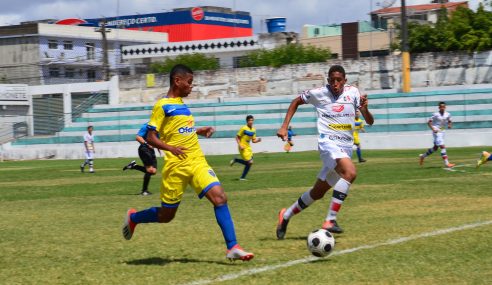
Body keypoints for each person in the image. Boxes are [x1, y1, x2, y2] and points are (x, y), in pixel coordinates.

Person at [121, 64, 254, 261]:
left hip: (197, 161)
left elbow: (181, 130)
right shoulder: (162, 105)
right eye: (189, 82)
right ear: (178, 81)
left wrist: (198, 131)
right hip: (176, 166)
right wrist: (171, 149)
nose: (192, 86)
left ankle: (232, 246)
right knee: (167, 216)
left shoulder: (183, 105)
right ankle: (133, 218)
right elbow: (150, 137)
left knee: (220, 198)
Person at [275, 65, 374, 239]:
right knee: (350, 172)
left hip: (345, 148)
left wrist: (364, 108)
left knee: (317, 192)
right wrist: (284, 126)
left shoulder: (354, 93)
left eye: (339, 80)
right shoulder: (319, 93)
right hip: (327, 143)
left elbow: (370, 121)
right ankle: (330, 220)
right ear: (328, 80)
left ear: (345, 80)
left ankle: (286, 215)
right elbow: (296, 101)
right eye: (332, 80)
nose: (335, 83)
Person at [122, 122, 160, 196]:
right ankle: (144, 191)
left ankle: (134, 166)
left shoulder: (160, 126)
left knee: (153, 171)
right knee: (150, 170)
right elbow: (138, 137)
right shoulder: (147, 126)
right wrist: (147, 144)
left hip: (151, 150)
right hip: (144, 149)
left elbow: (156, 139)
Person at [419, 102, 455, 168]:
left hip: (442, 131)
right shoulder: (435, 114)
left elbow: (449, 120)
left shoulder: (448, 114)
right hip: (436, 132)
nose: (442, 108)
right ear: (439, 107)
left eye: (443, 107)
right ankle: (447, 163)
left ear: (445, 107)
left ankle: (423, 156)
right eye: (441, 107)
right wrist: (433, 129)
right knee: (442, 146)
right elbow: (429, 122)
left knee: (435, 148)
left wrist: (450, 125)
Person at [229, 115, 262, 180]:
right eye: (250, 120)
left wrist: (258, 140)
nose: (251, 122)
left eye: (252, 120)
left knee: (249, 163)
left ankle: (242, 177)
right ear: (247, 121)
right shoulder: (243, 128)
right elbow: (237, 137)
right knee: (250, 162)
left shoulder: (253, 130)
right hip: (242, 147)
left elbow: (253, 140)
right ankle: (236, 160)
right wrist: (240, 145)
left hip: (248, 147)